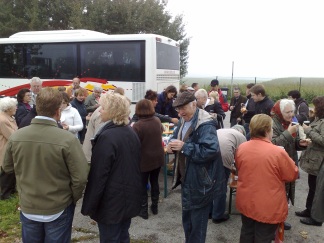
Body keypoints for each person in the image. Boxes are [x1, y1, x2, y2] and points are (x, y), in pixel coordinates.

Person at [2, 87, 88, 242]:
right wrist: (71, 198)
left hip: (29, 204)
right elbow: (80, 178)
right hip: (59, 205)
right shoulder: (67, 139)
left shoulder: (17, 136)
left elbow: (7, 167)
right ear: (58, 111)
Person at [81, 93, 143, 242]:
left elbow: (99, 175)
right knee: (122, 236)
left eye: (103, 107)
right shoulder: (130, 132)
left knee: (111, 238)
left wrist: (90, 205)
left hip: (111, 203)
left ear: (113, 110)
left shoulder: (107, 137)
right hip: (127, 198)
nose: (99, 110)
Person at [166, 91, 225, 243]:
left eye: (182, 108)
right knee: (188, 222)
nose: (180, 112)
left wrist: (185, 147)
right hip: (188, 178)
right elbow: (176, 136)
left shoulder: (206, 124)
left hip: (201, 181)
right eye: (177, 109)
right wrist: (171, 145)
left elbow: (211, 151)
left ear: (193, 104)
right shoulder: (184, 119)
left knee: (197, 226)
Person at [235, 114, 298, 243]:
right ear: (267, 130)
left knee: (247, 233)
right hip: (268, 205)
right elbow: (292, 174)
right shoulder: (277, 152)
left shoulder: (242, 147)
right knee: (263, 237)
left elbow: (239, 167)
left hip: (247, 200)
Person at [271, 99, 309, 230]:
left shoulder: (291, 123)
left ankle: (280, 220)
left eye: (292, 112)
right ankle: (272, 222)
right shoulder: (272, 124)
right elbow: (273, 144)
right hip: (276, 166)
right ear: (280, 112)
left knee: (285, 194)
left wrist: (300, 143)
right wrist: (288, 132)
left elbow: (293, 142)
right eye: (287, 112)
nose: (291, 115)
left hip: (289, 163)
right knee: (276, 195)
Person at [132, 99, 164, 219]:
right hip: (157, 157)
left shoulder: (138, 125)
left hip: (144, 160)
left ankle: (143, 210)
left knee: (142, 185)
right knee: (155, 182)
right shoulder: (157, 120)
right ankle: (154, 207)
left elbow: (134, 144)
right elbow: (161, 131)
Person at [210, 126, 246, 224]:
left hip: (208, 151)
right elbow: (242, 157)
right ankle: (218, 215)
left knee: (210, 182)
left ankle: (209, 211)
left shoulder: (221, 130)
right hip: (222, 154)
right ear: (241, 131)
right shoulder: (242, 137)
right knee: (220, 185)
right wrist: (234, 169)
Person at [298, 96, 324, 226]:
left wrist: (309, 131)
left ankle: (315, 217)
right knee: (312, 187)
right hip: (313, 159)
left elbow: (323, 140)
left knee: (316, 189)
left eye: (315, 106)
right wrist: (312, 117)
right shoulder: (319, 119)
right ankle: (309, 210)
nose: (313, 108)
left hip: (318, 161)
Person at [0, 97, 18, 200]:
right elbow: (11, 136)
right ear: (8, 108)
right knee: (6, 171)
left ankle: (10, 190)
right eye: (14, 106)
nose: (16, 108)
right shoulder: (3, 120)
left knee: (10, 170)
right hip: (5, 148)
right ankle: (4, 194)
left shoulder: (7, 117)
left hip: (9, 148)